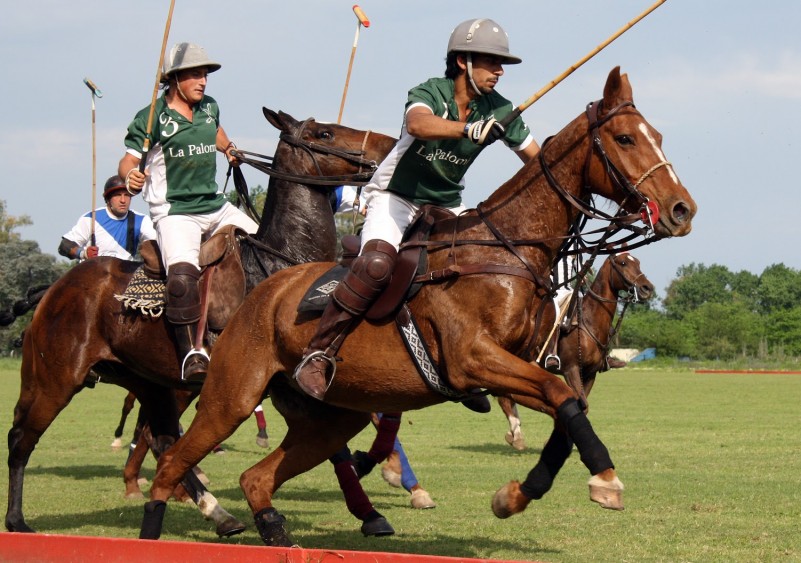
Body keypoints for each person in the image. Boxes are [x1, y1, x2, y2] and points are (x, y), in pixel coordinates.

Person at [294, 18, 540, 407]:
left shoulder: (501, 109)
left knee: (474, 269)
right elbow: (417, 124)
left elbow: (535, 161)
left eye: (501, 63)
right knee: (375, 263)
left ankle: (465, 368)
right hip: (397, 196)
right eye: (491, 61)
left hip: (446, 202)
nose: (499, 71)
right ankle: (318, 352)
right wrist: (467, 131)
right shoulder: (431, 91)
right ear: (462, 61)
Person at [118, 42, 258, 382]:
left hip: (214, 204)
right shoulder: (150, 117)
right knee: (182, 277)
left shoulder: (209, 107)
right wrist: (130, 177)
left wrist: (229, 148)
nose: (204, 81)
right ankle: (192, 352)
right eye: (196, 74)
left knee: (264, 247)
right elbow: (128, 160)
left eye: (205, 75)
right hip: (175, 211)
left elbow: (216, 132)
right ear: (175, 79)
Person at [59, 175, 156, 262]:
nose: (123, 200)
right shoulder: (91, 219)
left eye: (126, 195)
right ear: (108, 200)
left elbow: (157, 244)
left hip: (125, 275)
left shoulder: (142, 220)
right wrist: (83, 253)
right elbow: (64, 246)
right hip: (93, 273)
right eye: (117, 195)